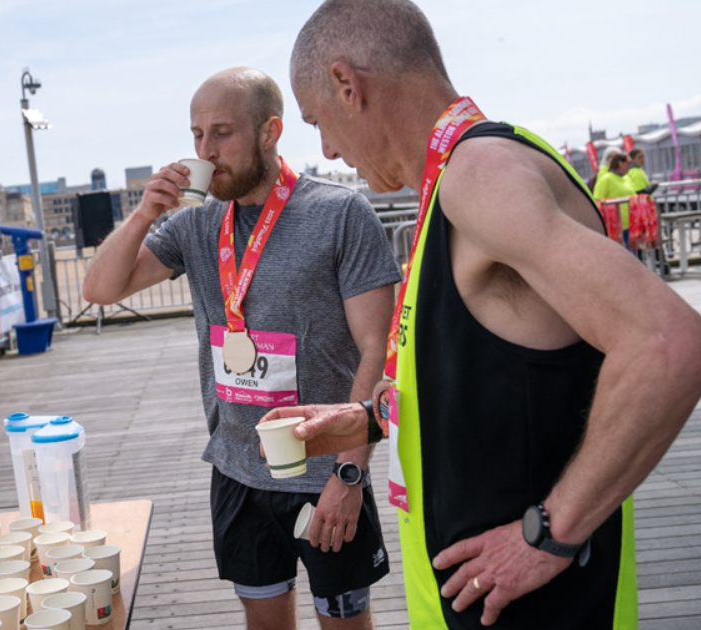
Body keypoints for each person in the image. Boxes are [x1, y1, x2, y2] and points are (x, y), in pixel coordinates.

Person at [273, 0, 701, 628]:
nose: (329, 151)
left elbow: (668, 343)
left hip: (536, 605)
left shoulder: (480, 174)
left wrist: (549, 533)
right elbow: (497, 368)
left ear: (347, 85)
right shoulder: (454, 179)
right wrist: (366, 419)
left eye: (318, 123)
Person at [82, 67, 399, 629]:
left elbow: (376, 351)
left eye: (221, 133)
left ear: (270, 131)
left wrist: (349, 475)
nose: (205, 150)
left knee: (346, 622)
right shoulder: (196, 224)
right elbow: (100, 289)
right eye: (196, 135)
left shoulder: (340, 214)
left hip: (325, 471)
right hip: (236, 469)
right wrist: (144, 212)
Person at [592, 150, 637, 247]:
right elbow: (598, 201)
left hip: (631, 224)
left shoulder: (626, 178)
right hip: (615, 227)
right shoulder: (606, 179)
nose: (630, 166)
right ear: (620, 163)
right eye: (628, 163)